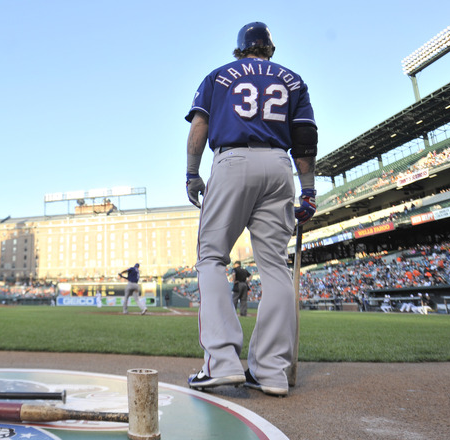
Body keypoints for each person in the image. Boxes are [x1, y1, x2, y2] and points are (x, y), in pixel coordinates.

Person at [184, 22, 317, 397]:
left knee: (212, 257)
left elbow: (199, 125)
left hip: (233, 159)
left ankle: (222, 362)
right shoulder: (293, 80)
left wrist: (192, 173)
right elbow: (305, 138)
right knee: (274, 265)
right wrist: (308, 190)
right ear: (270, 48)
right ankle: (271, 371)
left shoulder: (219, 75)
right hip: (279, 164)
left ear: (240, 48)